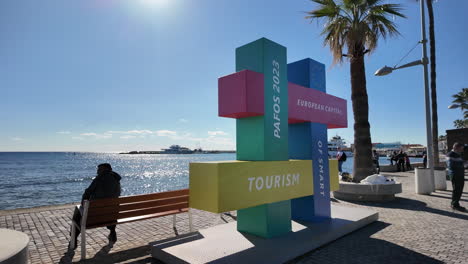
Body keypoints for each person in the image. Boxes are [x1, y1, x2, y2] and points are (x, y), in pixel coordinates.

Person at [70, 163, 122, 249]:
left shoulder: (99, 178)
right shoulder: (116, 179)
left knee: (77, 215)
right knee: (111, 208)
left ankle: (73, 239)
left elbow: (87, 192)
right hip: (111, 215)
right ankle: (112, 232)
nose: (97, 171)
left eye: (99, 169)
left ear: (105, 169)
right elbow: (118, 193)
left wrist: (83, 204)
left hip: (94, 216)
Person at [446, 143, 466, 212]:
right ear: (456, 148)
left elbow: (460, 164)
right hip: (455, 175)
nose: (462, 150)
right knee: (456, 190)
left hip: (459, 174)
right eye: (461, 148)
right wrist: (462, 164)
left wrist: (464, 164)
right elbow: (451, 166)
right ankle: (454, 205)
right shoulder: (450, 154)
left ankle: (456, 204)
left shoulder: (457, 155)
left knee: (459, 190)